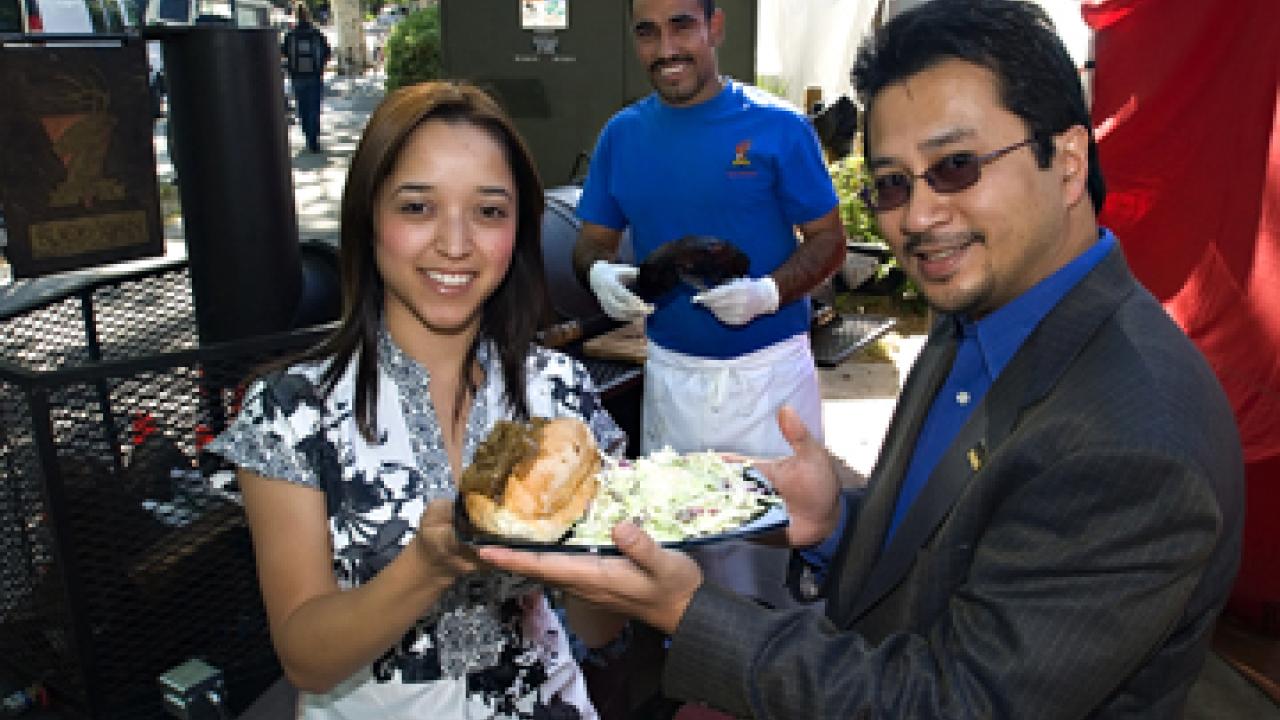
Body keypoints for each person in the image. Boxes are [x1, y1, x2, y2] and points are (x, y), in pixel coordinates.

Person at [476, 1, 1246, 717]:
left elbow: (954, 702)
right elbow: (954, 539)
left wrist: (690, 616)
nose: (917, 217)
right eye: (891, 184)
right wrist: (838, 520)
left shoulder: (1135, 443)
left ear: (1069, 160)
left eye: (956, 167)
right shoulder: (978, 316)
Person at [207, 81, 626, 719]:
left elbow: (599, 631)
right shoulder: (290, 412)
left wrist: (604, 542)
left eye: (489, 212)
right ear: (368, 216)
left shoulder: (559, 389)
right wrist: (424, 569)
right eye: (417, 208)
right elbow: (305, 657)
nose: (455, 245)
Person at [572, 0, 847, 609]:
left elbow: (830, 238)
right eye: (647, 32)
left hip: (769, 384)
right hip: (671, 380)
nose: (665, 48)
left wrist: (768, 292)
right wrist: (600, 276)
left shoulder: (778, 127)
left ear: (715, 27)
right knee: (680, 554)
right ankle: (695, 691)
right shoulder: (622, 136)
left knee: (775, 554)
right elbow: (591, 243)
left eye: (682, 26)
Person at [281, 2, 330, 153]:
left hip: (297, 78)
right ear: (308, 15)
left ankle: (308, 137)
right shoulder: (316, 34)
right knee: (314, 108)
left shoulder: (290, 35)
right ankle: (314, 139)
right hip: (314, 76)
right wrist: (321, 66)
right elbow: (327, 52)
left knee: (302, 108)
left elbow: (283, 53)